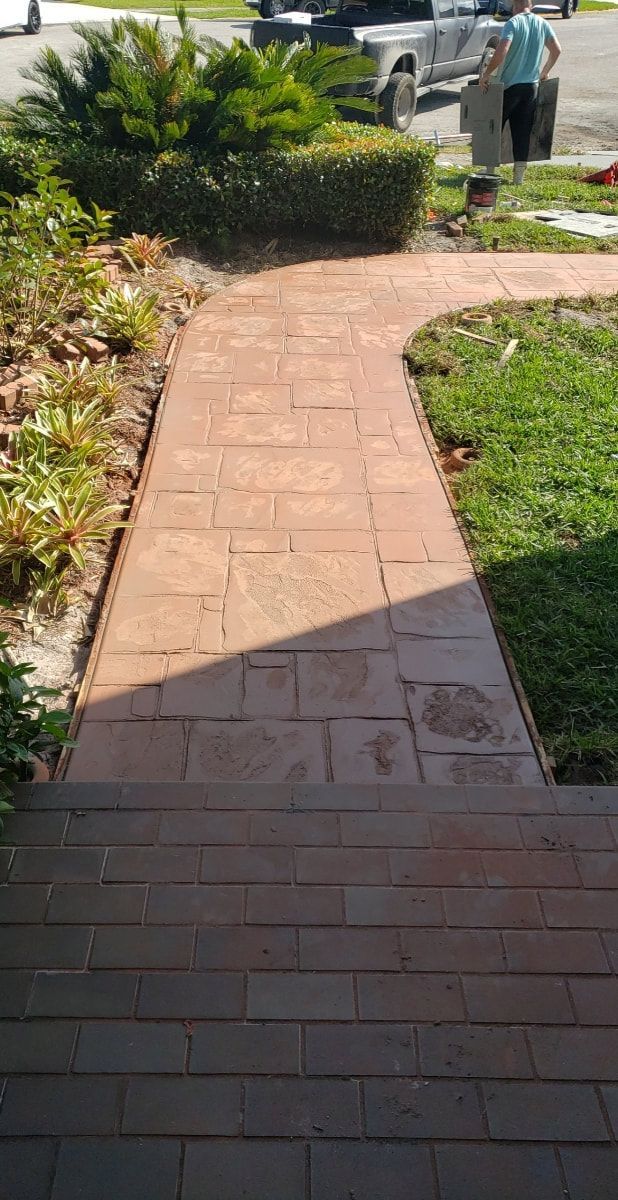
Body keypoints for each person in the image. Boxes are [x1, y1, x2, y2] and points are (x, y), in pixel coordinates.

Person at [479, 0, 561, 185]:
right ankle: (518, 177)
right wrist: (544, 72)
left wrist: (487, 74)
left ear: (514, 7)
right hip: (531, 87)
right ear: (530, 6)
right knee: (522, 132)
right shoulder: (542, 23)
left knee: (494, 128)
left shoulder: (513, 23)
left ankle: (490, 170)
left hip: (510, 86)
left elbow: (503, 49)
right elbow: (556, 50)